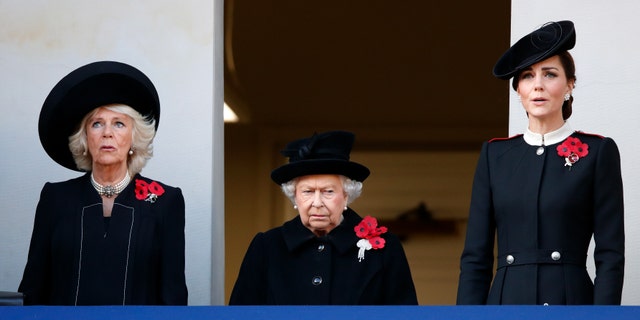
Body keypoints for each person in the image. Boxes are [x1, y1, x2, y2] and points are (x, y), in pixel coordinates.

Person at [456, 21, 624, 305]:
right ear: (518, 89)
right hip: (506, 303)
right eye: (527, 76)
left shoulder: (598, 152)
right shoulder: (495, 155)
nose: (538, 85)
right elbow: (475, 257)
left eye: (550, 74)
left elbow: (610, 255)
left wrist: (602, 317)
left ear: (570, 83)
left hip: (571, 303)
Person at [18, 61, 188, 305]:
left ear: (134, 137)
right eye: (97, 123)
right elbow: (33, 290)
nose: (107, 132)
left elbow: (173, 298)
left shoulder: (165, 201)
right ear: (85, 137)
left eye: (119, 123)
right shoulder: (56, 198)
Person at [229, 130, 418, 305]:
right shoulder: (267, 246)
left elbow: (405, 314)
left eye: (328, 191)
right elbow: (240, 314)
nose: (317, 202)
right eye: (307, 192)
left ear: (346, 195)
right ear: (295, 196)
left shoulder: (384, 249)